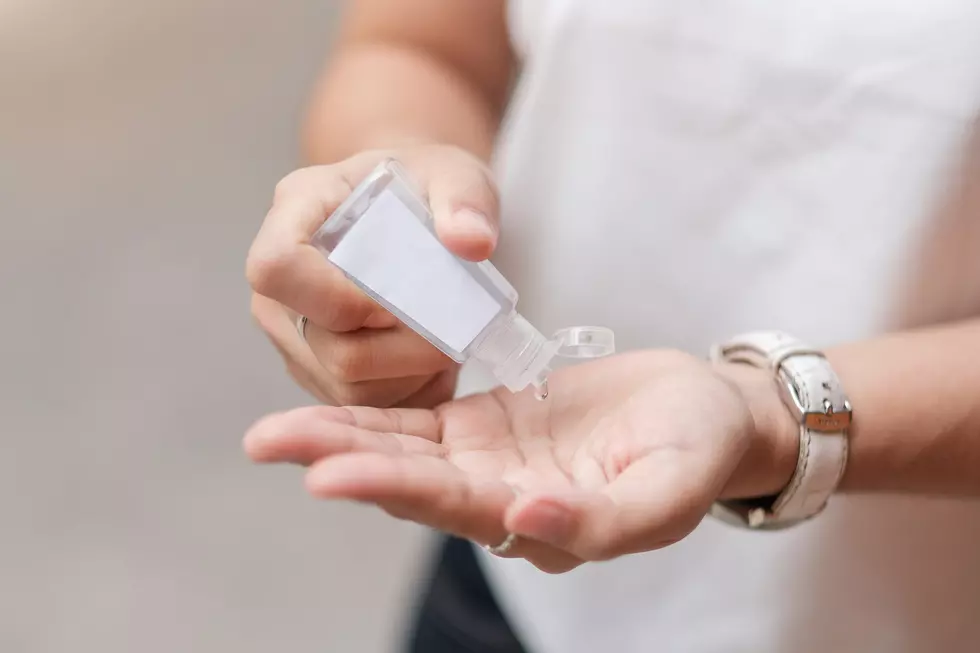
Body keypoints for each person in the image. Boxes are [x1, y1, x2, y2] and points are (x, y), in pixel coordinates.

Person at [244, 1, 980, 651]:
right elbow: (414, 46)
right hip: (516, 534)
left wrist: (768, 416)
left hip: (883, 610)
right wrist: (403, 185)